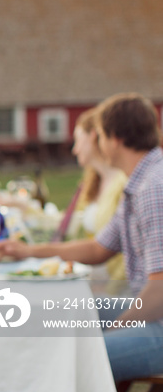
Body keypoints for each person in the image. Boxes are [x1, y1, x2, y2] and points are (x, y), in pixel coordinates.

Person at [0, 92, 163, 383]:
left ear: (115, 138)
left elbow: (159, 292)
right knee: (49, 313)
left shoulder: (153, 187)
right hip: (144, 307)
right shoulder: (140, 181)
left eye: (100, 135)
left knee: (71, 357)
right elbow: (98, 248)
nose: (97, 143)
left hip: (157, 321)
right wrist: (28, 251)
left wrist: (113, 330)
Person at [66, 107, 128, 282]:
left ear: (93, 136)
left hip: (112, 284)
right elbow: (68, 223)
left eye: (78, 140)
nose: (75, 150)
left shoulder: (124, 183)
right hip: (90, 273)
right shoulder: (92, 182)